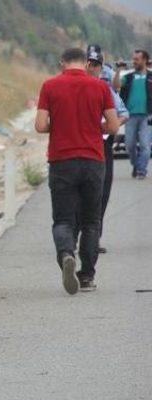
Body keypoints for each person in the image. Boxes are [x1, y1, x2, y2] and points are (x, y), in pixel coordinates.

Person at [35, 48, 119, 295]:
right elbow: (113, 126)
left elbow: (40, 125)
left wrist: (60, 123)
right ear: (85, 63)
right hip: (93, 160)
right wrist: (94, 124)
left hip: (62, 161)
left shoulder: (50, 85)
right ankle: (87, 276)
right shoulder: (100, 87)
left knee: (63, 220)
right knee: (91, 221)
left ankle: (66, 255)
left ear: (63, 63)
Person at [86, 46, 130, 256]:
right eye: (88, 64)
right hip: (82, 144)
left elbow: (123, 113)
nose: (91, 68)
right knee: (80, 192)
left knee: (102, 191)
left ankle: (94, 238)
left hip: (103, 143)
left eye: (95, 65)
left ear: (101, 67)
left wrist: (110, 125)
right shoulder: (75, 86)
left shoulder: (106, 89)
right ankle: (79, 233)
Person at [114, 49, 152, 179]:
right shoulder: (128, 77)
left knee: (145, 145)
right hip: (130, 116)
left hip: (147, 116)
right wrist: (118, 70)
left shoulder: (151, 77)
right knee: (129, 145)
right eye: (133, 59)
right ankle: (136, 165)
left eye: (137, 59)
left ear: (145, 60)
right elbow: (116, 86)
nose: (134, 61)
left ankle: (141, 170)